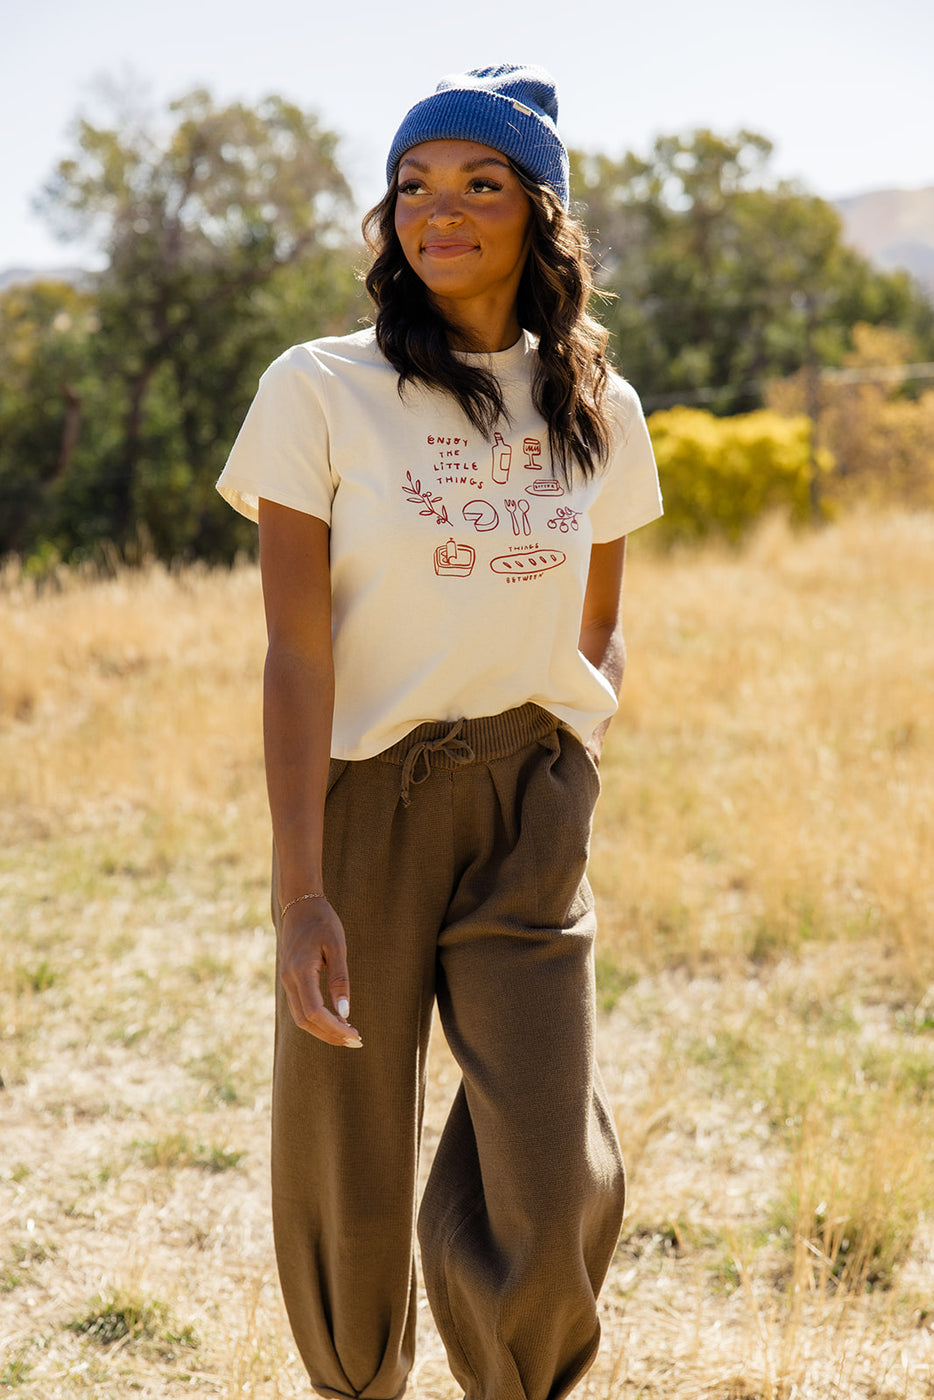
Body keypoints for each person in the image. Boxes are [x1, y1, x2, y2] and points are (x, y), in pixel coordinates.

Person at [217, 63, 662, 1400]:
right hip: (368, 800)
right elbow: (297, 651)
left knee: (547, 1166)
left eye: (478, 184)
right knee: (349, 1164)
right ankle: (361, 1385)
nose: (438, 211)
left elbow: (599, 623)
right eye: (413, 184)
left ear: (539, 212)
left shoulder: (598, 409)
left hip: (528, 796)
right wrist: (302, 889)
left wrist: (572, 758)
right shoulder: (319, 390)